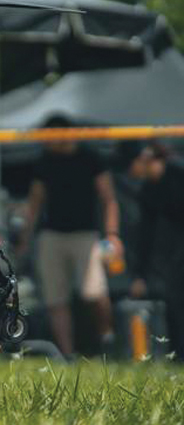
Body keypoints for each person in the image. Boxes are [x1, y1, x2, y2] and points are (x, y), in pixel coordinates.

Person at [17, 116, 121, 357]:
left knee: (94, 292)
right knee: (56, 298)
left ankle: (108, 340)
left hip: (86, 235)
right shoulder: (45, 161)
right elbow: (35, 202)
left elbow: (109, 199)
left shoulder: (90, 157)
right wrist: (25, 238)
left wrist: (113, 234)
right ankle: (68, 355)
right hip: (52, 235)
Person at [127, 142, 184, 357]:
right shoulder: (149, 190)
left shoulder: (179, 170)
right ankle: (178, 354)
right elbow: (146, 235)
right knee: (175, 298)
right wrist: (139, 275)